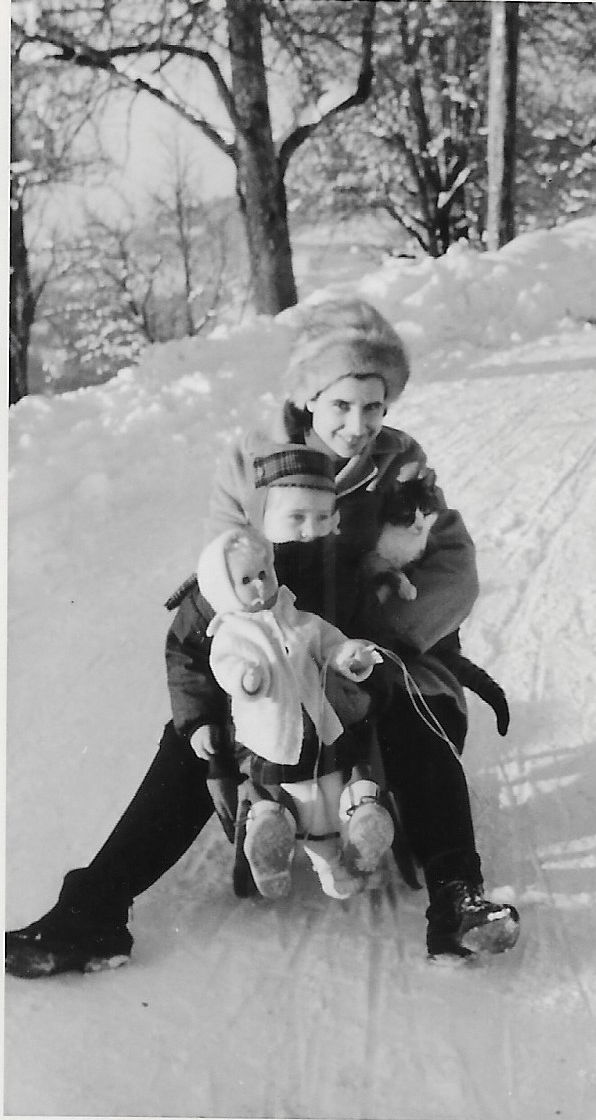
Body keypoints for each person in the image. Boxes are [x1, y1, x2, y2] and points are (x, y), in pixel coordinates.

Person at [5, 296, 519, 979]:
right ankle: (93, 910)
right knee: (194, 738)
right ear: (309, 397)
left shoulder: (399, 465)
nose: (358, 425)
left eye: (374, 406)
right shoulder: (252, 461)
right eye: (341, 405)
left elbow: (454, 569)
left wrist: (369, 638)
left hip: (363, 648)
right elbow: (222, 573)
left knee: (413, 715)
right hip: (272, 654)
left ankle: (456, 902)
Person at [194, 517, 390, 902]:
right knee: (299, 798)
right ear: (224, 588)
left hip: (321, 729)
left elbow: (330, 644)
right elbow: (226, 666)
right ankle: (274, 841)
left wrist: (350, 655)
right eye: (246, 580)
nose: (261, 585)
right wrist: (247, 679)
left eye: (263, 573)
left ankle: (353, 840)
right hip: (273, 738)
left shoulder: (298, 619)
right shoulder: (230, 634)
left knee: (330, 793)